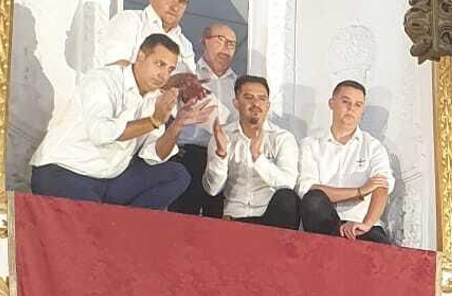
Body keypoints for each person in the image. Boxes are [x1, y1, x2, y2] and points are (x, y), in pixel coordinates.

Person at [29, 35, 199, 210]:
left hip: (109, 178)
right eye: (159, 64)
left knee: (177, 175)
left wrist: (177, 125)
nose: (163, 75)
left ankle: (128, 230)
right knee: (92, 230)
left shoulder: (155, 99)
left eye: (170, 70)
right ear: (141, 56)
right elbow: (100, 133)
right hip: (65, 171)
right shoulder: (103, 80)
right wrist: (154, 120)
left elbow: (153, 156)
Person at [298, 80, 394, 242]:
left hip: (361, 225)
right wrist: (359, 191)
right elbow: (308, 190)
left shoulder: (373, 146)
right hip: (324, 224)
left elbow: (382, 187)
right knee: (314, 200)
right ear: (331, 103)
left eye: (358, 105)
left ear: (363, 110)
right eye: (345, 102)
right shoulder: (311, 144)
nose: (351, 109)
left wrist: (366, 224)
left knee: (381, 247)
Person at [204, 73, 302, 230]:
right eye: (248, 97)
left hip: (272, 219)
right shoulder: (223, 136)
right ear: (236, 103)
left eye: (262, 99)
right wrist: (221, 155)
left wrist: (258, 157)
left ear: (268, 105)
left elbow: (288, 184)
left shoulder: (283, 138)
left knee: (287, 197)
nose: (256, 103)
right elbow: (213, 189)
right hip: (234, 218)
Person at [171, 21, 239, 218]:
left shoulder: (240, 86)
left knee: (216, 221)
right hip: (190, 153)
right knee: (184, 218)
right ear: (204, 41)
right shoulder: (187, 76)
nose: (227, 47)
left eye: (232, 44)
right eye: (221, 40)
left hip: (224, 157)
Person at [97, 0, 194, 74]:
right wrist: (158, 88)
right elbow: (116, 65)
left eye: (181, 3)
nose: (175, 8)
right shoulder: (130, 20)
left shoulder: (185, 45)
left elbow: (190, 81)